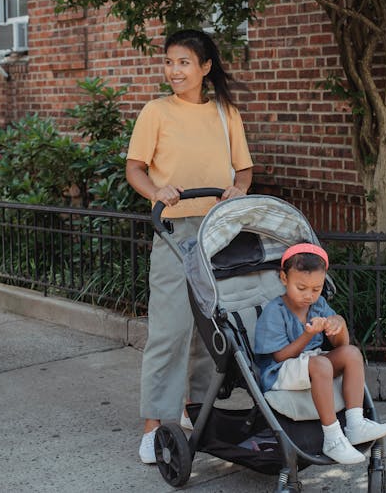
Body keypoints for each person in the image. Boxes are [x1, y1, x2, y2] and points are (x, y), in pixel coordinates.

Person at [125, 29, 254, 464]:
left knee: (208, 332)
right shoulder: (156, 111)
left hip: (218, 231)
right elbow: (135, 169)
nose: (174, 70)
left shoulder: (225, 113)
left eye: (183, 62)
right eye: (169, 62)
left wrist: (237, 189)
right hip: (175, 232)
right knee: (169, 329)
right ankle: (154, 425)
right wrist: (157, 191)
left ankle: (196, 416)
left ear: (204, 68)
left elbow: (244, 172)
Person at [254, 243, 386, 464]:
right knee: (320, 364)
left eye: (316, 289)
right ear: (284, 279)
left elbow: (342, 344)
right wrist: (308, 335)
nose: (309, 295)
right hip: (280, 371)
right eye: (301, 288)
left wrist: (338, 324)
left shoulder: (318, 305)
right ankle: (332, 438)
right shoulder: (275, 312)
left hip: (312, 362)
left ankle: (356, 424)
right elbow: (279, 357)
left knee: (351, 353)